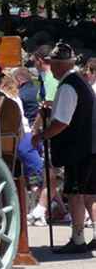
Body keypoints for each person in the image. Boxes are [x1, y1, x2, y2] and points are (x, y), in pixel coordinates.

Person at [31, 42, 96, 253]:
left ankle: (77, 240)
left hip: (78, 148)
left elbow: (62, 122)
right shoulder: (80, 82)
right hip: (89, 146)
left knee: (75, 194)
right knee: (90, 195)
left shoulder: (68, 86)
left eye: (53, 64)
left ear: (60, 65)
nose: (51, 68)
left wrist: (41, 136)